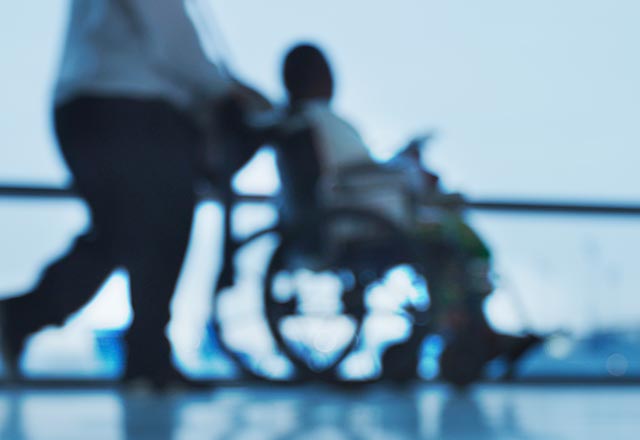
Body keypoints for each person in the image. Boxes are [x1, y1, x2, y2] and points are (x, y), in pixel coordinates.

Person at [0, 0, 235, 388]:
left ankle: (20, 319)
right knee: (162, 230)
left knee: (120, 234)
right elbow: (172, 36)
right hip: (129, 107)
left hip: (85, 106)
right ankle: (147, 357)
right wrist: (225, 90)